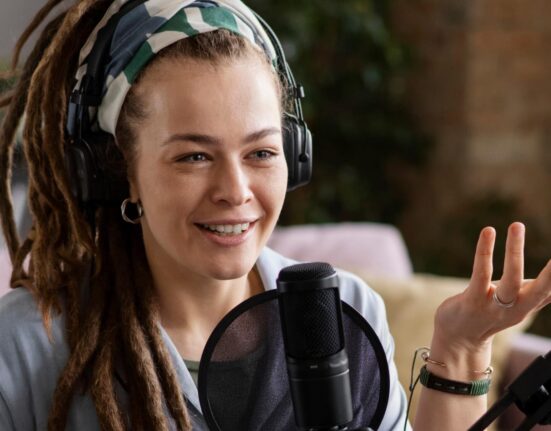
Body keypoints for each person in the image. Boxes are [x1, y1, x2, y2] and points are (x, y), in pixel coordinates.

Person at [0, 0, 549, 430]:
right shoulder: (26, 345)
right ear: (118, 170)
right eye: (194, 157)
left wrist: (460, 349)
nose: (235, 191)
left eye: (261, 152)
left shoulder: (344, 314)